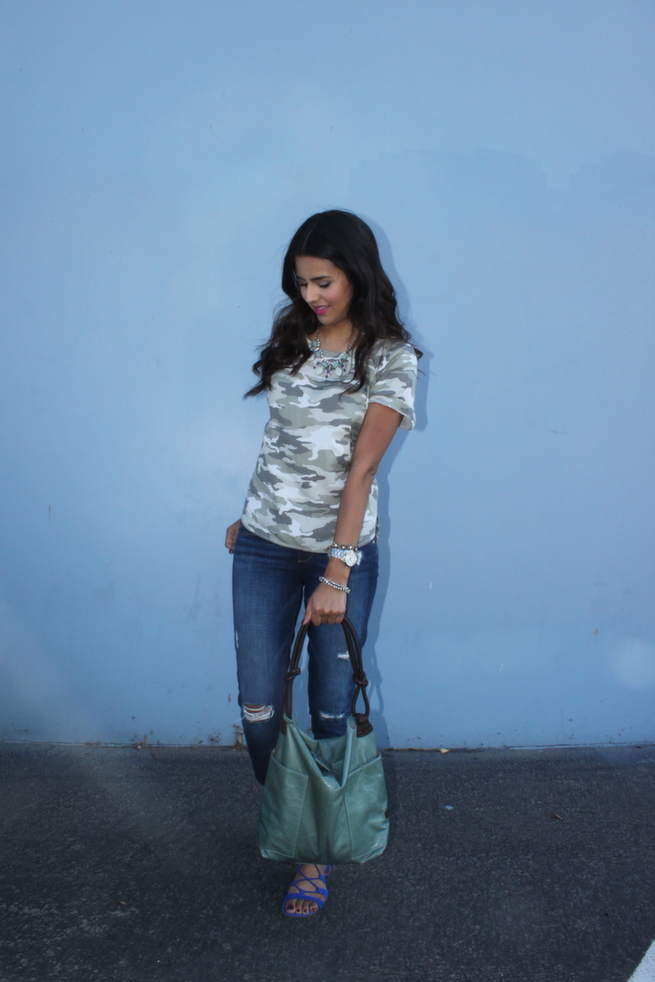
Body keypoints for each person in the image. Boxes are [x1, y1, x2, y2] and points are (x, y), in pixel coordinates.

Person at [225, 209, 420, 917]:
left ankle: (313, 852)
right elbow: (281, 440)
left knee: (331, 710)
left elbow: (361, 470)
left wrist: (336, 572)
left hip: (341, 556)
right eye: (301, 282)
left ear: (356, 275)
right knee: (257, 706)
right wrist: (250, 515)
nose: (311, 295)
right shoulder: (294, 338)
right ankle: (295, 817)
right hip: (263, 545)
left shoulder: (392, 357)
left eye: (323, 282)